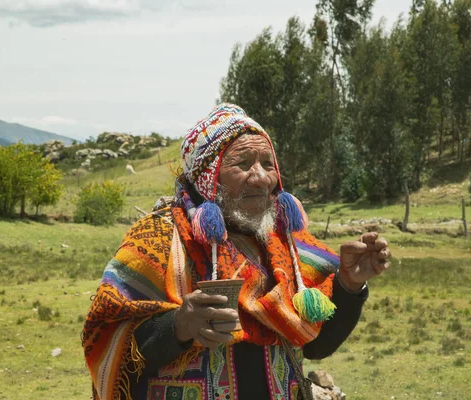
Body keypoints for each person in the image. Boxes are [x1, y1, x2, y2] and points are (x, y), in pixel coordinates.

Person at [82, 104, 391, 400]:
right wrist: (178, 325)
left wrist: (348, 286)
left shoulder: (290, 248)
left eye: (268, 164)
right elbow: (106, 340)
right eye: (243, 164)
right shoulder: (158, 239)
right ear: (208, 178)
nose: (260, 177)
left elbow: (314, 347)